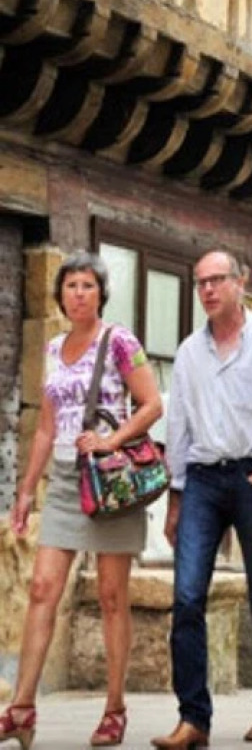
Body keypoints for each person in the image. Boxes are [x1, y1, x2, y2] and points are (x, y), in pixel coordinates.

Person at [2, 251, 162, 750]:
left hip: (111, 481)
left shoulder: (120, 342)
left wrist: (113, 441)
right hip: (69, 481)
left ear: (101, 293)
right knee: (43, 589)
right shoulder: (52, 349)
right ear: (60, 295)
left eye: (87, 285)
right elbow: (48, 428)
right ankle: (22, 708)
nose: (78, 294)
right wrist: (27, 490)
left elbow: (153, 403)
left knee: (114, 597)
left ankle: (114, 709)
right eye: (70, 286)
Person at [154, 249, 252, 749]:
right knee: (186, 596)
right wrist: (176, 498)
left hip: (251, 474)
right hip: (200, 479)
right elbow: (178, 426)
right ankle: (193, 717)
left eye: (218, 280)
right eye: (201, 283)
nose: (208, 291)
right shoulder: (189, 352)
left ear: (241, 282)